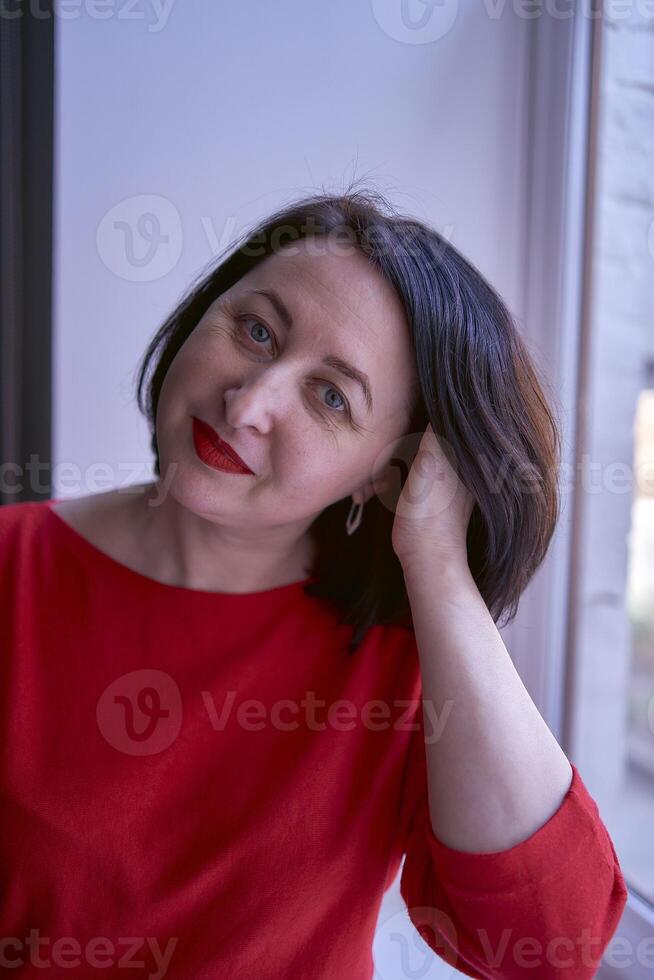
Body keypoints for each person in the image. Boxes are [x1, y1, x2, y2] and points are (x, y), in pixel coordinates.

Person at [0, 186, 627, 978]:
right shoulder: (11, 570)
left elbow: (553, 942)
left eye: (331, 397)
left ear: (382, 472)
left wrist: (435, 558)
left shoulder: (406, 660)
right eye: (256, 330)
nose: (251, 402)